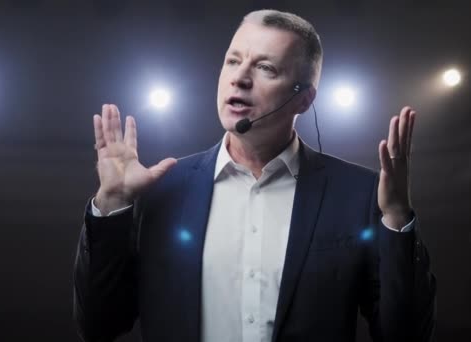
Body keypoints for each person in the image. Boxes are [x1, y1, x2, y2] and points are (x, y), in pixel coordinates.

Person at [73, 9, 436, 342]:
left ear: (304, 99)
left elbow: (403, 337)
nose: (240, 78)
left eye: (266, 68)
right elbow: (99, 325)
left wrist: (397, 219)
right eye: (233, 61)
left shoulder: (358, 194)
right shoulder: (160, 189)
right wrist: (112, 204)